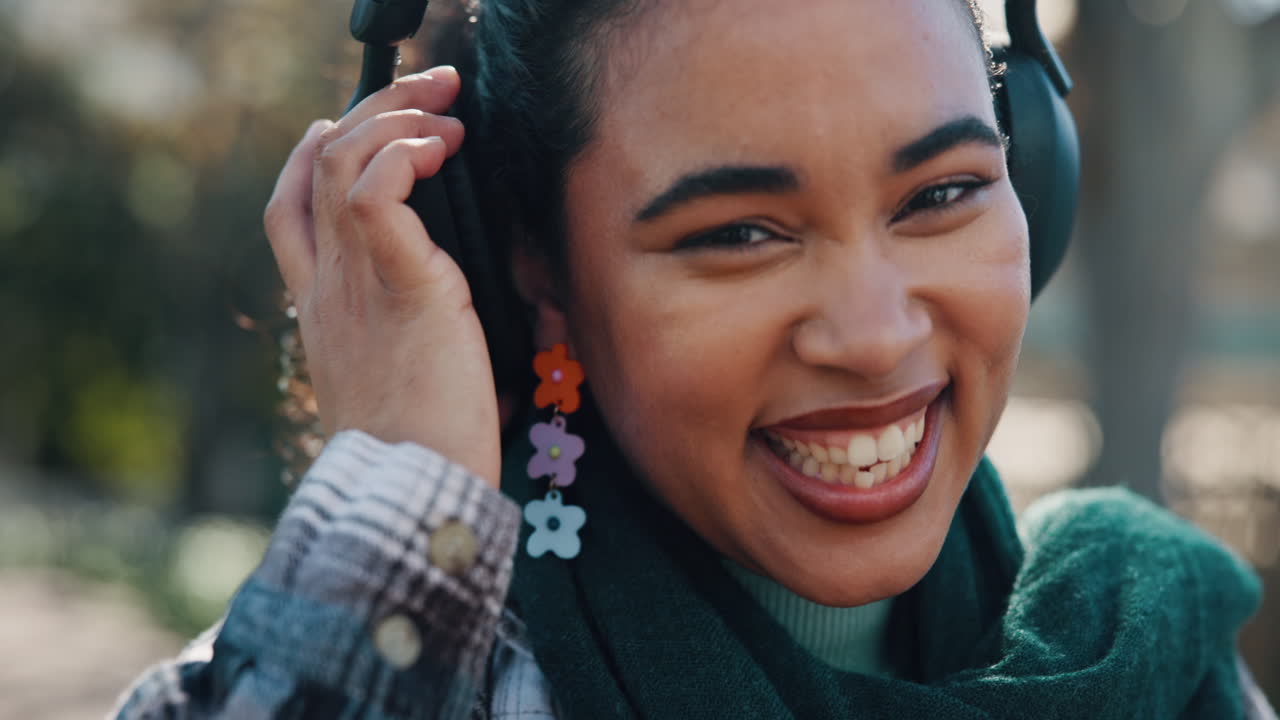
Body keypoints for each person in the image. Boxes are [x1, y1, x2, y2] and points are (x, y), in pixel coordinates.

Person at [113, 0, 1274, 717]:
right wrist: (404, 473)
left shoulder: (1147, 650)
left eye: (943, 192)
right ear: (533, 276)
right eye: (738, 233)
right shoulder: (407, 669)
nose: (872, 334)